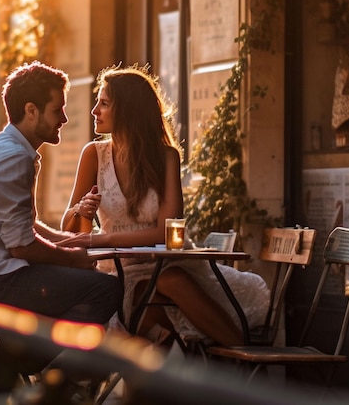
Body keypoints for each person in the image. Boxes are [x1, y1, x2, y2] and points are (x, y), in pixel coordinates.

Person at [0, 61, 123, 395]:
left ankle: (8, 363)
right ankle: (31, 379)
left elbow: (24, 227)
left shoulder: (8, 148)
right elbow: (22, 246)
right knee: (104, 290)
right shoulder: (13, 156)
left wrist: (68, 240)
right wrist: (73, 259)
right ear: (31, 110)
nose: (65, 120)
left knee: (85, 289)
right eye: (58, 110)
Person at [58, 64, 269, 348]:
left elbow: (166, 231)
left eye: (104, 103)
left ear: (128, 110)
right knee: (156, 305)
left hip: (167, 262)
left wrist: (103, 237)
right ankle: (234, 365)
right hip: (118, 271)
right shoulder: (94, 155)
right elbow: (70, 231)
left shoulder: (166, 157)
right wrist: (80, 211)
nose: (95, 110)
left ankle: (242, 357)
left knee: (171, 282)